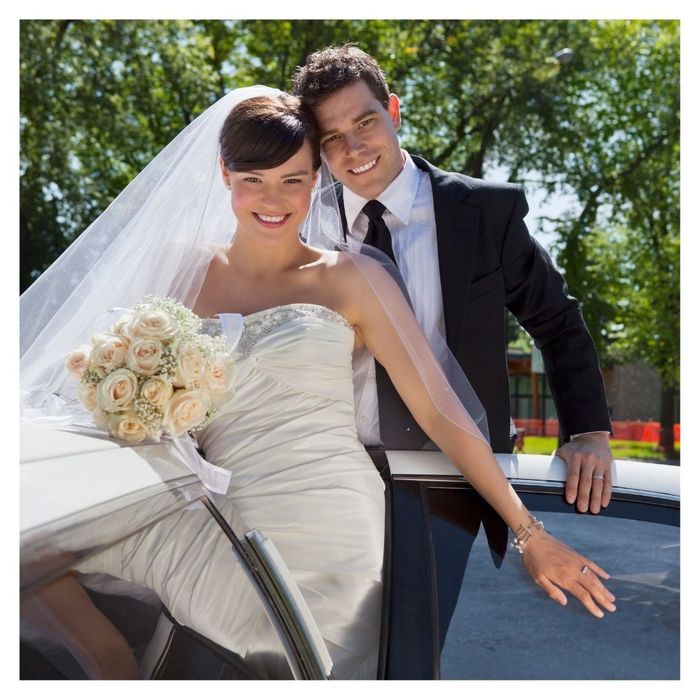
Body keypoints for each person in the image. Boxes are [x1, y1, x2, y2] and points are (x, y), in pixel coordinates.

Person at [20, 90, 615, 681]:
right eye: (253, 179)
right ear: (224, 174)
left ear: (316, 181)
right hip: (216, 515)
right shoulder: (181, 275)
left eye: (293, 179)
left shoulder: (350, 278)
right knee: (27, 543)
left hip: (332, 527)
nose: (274, 199)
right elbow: (123, 402)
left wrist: (528, 531)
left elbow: (439, 411)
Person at [292, 45, 614, 516]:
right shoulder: (302, 228)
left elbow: (558, 321)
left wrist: (589, 435)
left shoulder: (485, 213)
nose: (354, 150)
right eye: (332, 138)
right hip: (340, 485)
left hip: (470, 486)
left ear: (394, 111)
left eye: (365, 123)